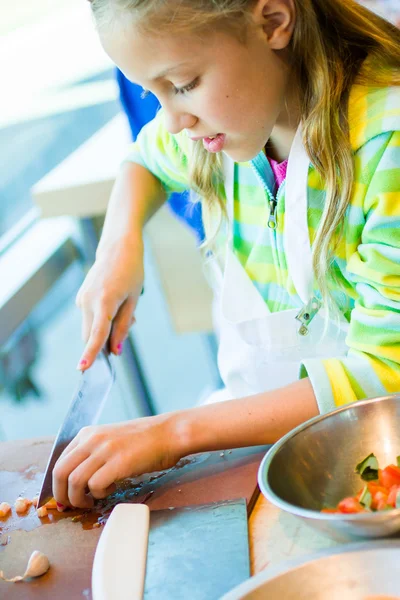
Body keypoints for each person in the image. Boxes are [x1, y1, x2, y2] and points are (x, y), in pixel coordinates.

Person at [53, 0, 400, 510]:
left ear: (273, 22)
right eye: (152, 93)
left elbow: (382, 373)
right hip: (276, 459)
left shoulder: (385, 144)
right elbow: (145, 160)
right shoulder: (224, 128)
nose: (172, 121)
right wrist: (117, 247)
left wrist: (170, 434)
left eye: (183, 84)